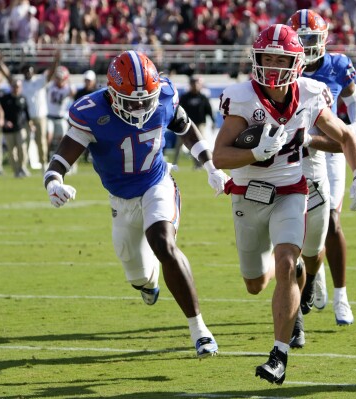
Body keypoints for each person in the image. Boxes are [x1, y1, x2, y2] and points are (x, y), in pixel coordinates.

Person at [43, 50, 228, 358]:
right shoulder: (91, 112)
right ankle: (148, 282)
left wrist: (210, 166)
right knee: (138, 276)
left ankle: (199, 330)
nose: (141, 107)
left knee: (163, 243)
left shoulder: (166, 95)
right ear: (112, 94)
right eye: (132, 101)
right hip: (120, 199)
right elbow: (60, 160)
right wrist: (53, 182)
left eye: (146, 99)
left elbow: (184, 128)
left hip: (157, 183)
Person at [212, 24, 356, 385]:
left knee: (286, 262)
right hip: (248, 195)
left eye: (280, 59)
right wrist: (253, 152)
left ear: (296, 62)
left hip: (290, 189)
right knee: (254, 283)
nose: (272, 65)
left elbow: (344, 135)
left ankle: (279, 355)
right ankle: (281, 273)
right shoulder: (242, 99)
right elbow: (219, 155)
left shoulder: (312, 93)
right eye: (266, 58)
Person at [287, 9, 356, 329]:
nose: (306, 45)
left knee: (332, 221)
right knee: (299, 222)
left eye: (311, 39)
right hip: (293, 153)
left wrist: (354, 129)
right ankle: (314, 268)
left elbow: (355, 97)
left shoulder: (336, 65)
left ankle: (341, 295)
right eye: (301, 38)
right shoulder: (285, 66)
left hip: (328, 151)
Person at [0, 49, 60, 172]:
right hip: (25, 118)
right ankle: (23, 166)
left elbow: (51, 73)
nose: (27, 73)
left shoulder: (39, 80)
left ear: (33, 72)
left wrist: (56, 60)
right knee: (25, 143)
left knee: (41, 141)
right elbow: (8, 76)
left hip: (40, 116)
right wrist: (0, 63)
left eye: (29, 71)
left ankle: (44, 163)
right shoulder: (21, 83)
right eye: (25, 72)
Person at [174, 75, 215, 168]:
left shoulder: (203, 97)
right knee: (179, 144)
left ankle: (199, 165)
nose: (195, 85)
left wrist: (213, 121)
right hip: (185, 124)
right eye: (193, 83)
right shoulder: (185, 97)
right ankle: (174, 164)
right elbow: (178, 110)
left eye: (197, 83)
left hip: (200, 124)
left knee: (199, 144)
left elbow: (209, 110)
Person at [0, 78, 31, 177]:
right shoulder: (5, 99)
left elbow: (26, 113)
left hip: (20, 127)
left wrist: (30, 124)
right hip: (8, 129)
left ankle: (23, 167)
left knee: (22, 148)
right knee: (11, 151)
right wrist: (4, 121)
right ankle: (16, 170)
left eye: (17, 87)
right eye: (14, 86)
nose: (16, 89)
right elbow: (0, 113)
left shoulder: (23, 98)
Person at [46, 65, 75, 155]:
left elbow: (73, 93)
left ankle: (61, 157)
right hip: (49, 116)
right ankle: (46, 156)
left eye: (61, 78)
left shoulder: (68, 88)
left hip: (61, 117)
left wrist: (67, 79)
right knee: (48, 136)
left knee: (63, 140)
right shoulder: (50, 85)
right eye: (57, 77)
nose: (59, 80)